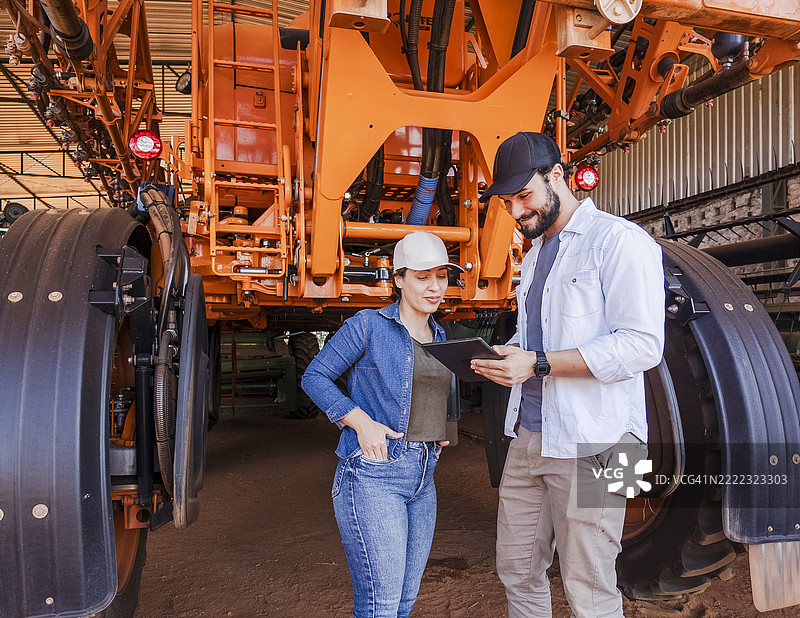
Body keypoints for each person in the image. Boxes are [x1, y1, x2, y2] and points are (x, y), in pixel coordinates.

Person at [471, 132, 665, 617]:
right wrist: (509, 353)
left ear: (557, 175)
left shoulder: (620, 240)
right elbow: (543, 337)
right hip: (529, 437)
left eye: (524, 196)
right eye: (508, 202)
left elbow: (644, 345)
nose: (516, 212)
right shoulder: (534, 257)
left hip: (606, 443)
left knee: (592, 584)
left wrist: (537, 363)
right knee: (516, 569)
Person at [301, 231, 461, 618]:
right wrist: (361, 422)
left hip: (424, 480)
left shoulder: (442, 336)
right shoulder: (368, 325)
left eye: (441, 276)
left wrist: (445, 433)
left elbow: (445, 396)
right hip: (374, 477)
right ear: (399, 278)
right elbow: (314, 376)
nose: (435, 287)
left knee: (403, 605)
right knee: (380, 607)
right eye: (423, 277)